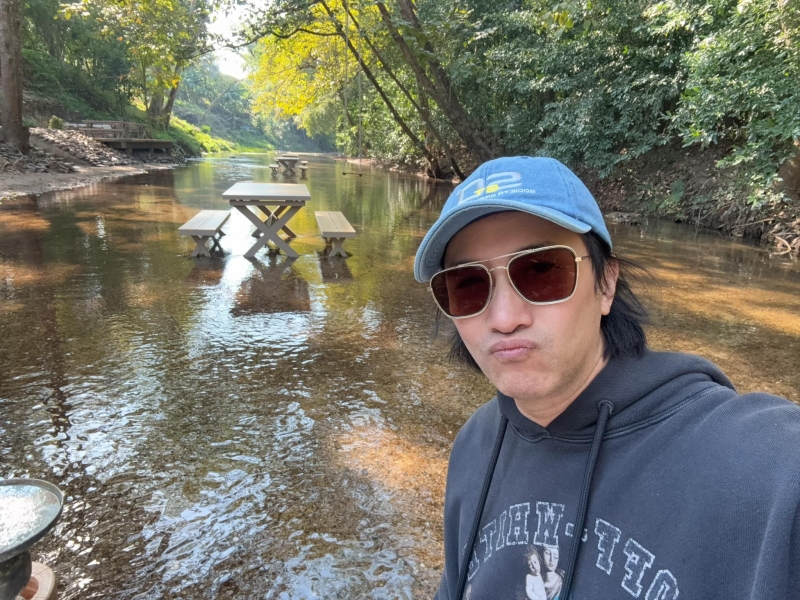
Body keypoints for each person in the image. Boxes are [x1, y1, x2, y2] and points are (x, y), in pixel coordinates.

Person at [413, 156, 800, 599]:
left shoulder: (756, 466)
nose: (503, 318)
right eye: (467, 284)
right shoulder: (475, 444)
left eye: (541, 270)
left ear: (606, 285)